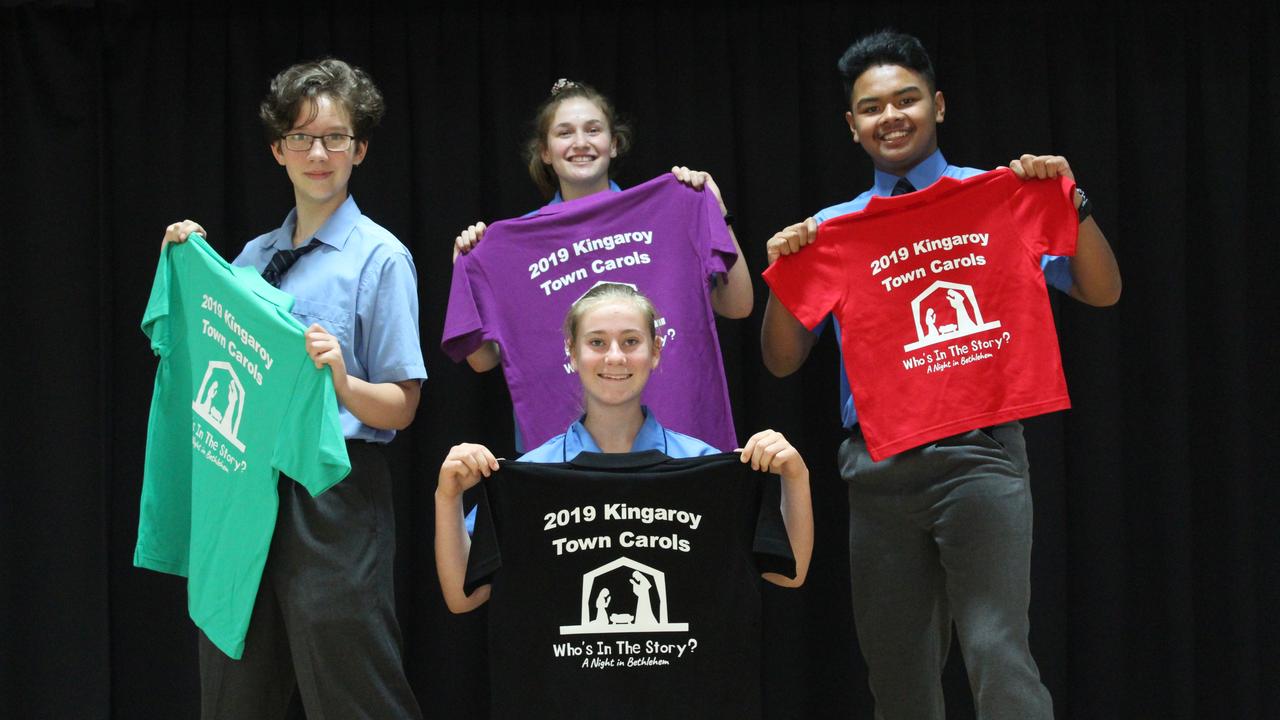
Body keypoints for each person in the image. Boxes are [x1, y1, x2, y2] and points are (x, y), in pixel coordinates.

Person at [759, 30, 1121, 720]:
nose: (890, 117)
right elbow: (780, 360)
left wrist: (1070, 201)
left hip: (979, 456)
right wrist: (787, 273)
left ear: (939, 105)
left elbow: (1102, 291)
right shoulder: (834, 228)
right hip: (875, 464)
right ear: (851, 125)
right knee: (896, 672)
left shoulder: (1001, 195)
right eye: (872, 107)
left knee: (997, 652)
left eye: (907, 99)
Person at [162, 57, 425, 719]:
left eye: (335, 137)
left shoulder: (381, 257)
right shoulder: (247, 260)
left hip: (332, 495)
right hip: (242, 486)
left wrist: (340, 376)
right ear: (278, 149)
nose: (318, 153)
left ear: (359, 149)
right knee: (233, 686)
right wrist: (188, 266)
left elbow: (402, 405)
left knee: (352, 688)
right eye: (302, 138)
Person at [436, 281, 813, 613]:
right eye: (597, 342)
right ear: (572, 352)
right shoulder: (532, 474)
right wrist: (447, 497)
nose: (615, 356)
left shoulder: (705, 467)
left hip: (682, 691)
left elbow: (787, 576)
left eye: (631, 341)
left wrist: (796, 475)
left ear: (656, 351)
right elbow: (463, 597)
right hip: (569, 692)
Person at [449, 79, 752, 449]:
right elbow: (483, 361)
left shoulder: (669, 210)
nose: (580, 142)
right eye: (565, 133)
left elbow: (738, 306)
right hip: (567, 458)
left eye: (593, 130)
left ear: (614, 143)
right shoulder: (509, 247)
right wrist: (466, 270)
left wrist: (717, 213)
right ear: (545, 151)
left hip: (677, 447)